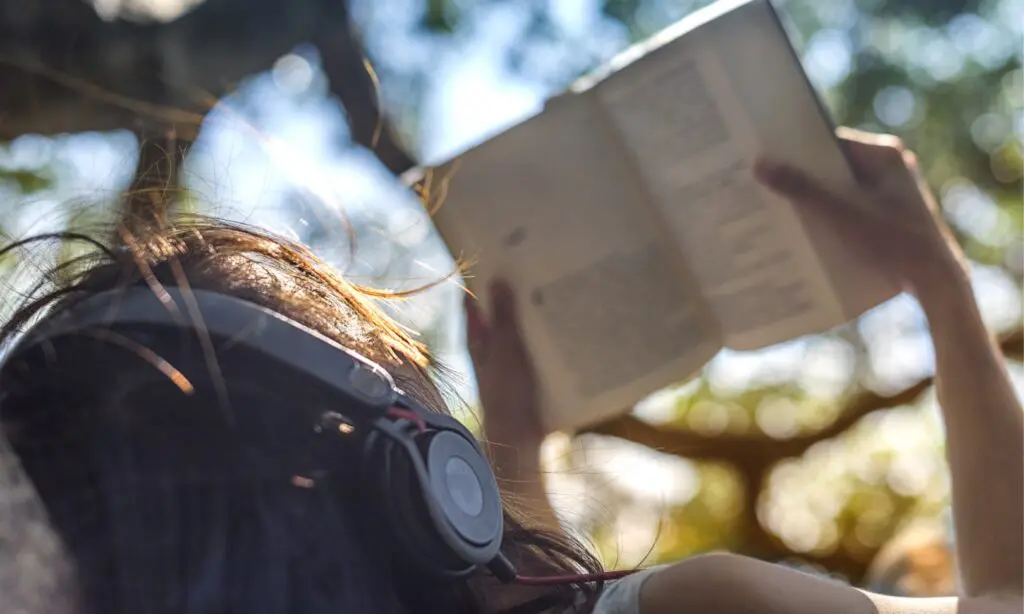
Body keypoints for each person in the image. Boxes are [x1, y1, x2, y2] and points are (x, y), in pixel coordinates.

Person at [469, 128, 1023, 614]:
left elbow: (544, 601)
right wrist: (940, 280)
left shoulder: (710, 598)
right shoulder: (712, 597)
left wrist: (512, 441)